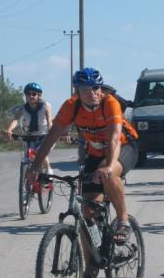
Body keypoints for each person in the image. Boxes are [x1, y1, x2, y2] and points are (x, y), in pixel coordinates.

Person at [26, 67, 139, 253]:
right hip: (94, 154)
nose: (92, 92)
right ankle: (89, 272)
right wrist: (35, 166)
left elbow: (114, 138)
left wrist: (110, 166)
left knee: (108, 173)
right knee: (87, 213)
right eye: (85, 89)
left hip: (123, 147)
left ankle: (123, 220)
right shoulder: (71, 106)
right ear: (76, 91)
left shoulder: (109, 102)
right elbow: (51, 137)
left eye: (96, 87)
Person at [5, 82, 53, 174]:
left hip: (44, 136)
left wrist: (51, 132)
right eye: (28, 94)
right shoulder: (23, 108)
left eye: (34, 94)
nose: (31, 96)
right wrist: (9, 130)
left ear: (39, 95)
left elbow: (49, 121)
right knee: (30, 156)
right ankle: (29, 185)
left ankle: (48, 170)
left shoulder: (45, 106)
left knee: (40, 152)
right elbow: (15, 120)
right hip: (30, 137)